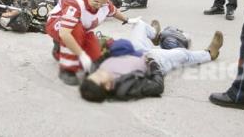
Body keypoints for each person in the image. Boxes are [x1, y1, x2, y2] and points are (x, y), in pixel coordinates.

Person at [79, 20, 223, 102]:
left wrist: (110, 48)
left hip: (136, 50)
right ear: (109, 86)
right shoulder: (125, 87)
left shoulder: (98, 69)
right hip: (153, 58)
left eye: (94, 74)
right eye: (98, 76)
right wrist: (153, 64)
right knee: (182, 54)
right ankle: (210, 53)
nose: (97, 72)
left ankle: (154, 35)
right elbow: (157, 86)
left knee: (139, 24)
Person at [45, 0, 139, 85]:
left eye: (102, 3)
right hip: (58, 25)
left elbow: (113, 11)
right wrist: (81, 54)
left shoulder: (103, 2)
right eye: (96, 2)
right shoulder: (75, 3)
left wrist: (127, 20)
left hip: (82, 28)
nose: (99, 6)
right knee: (74, 33)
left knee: (94, 56)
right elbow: (65, 33)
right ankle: (67, 70)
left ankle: (60, 50)